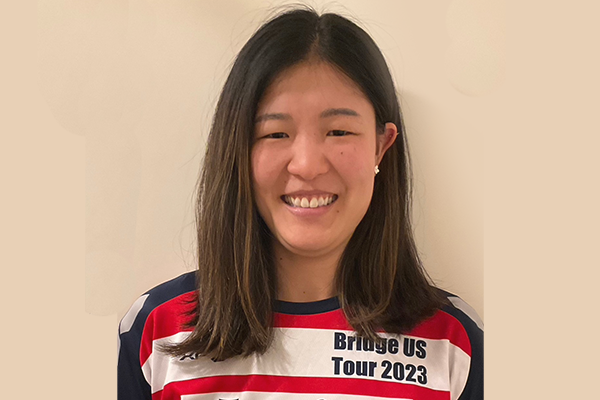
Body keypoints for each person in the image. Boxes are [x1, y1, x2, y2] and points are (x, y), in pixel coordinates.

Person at [118, 7, 483, 400]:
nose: (307, 165)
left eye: (339, 131)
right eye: (275, 133)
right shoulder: (156, 333)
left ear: (381, 147)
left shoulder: (454, 343)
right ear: (237, 149)